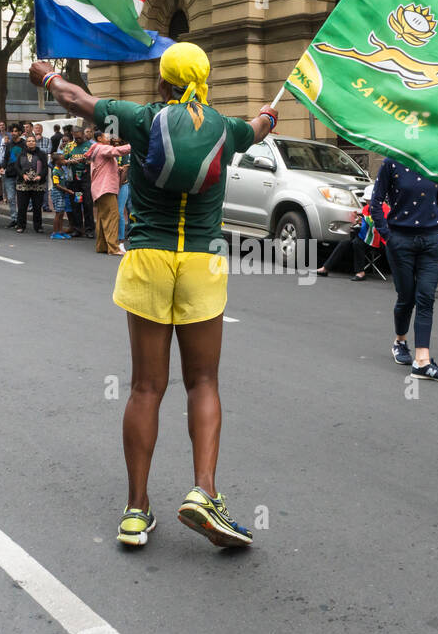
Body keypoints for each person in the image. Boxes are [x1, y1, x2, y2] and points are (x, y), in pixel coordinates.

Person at [30, 42, 277, 549]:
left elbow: (78, 101)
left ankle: (137, 511)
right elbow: (256, 130)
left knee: (146, 388)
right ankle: (204, 492)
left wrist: (47, 77)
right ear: (205, 82)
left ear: (161, 82)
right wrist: (269, 115)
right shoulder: (225, 130)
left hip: (146, 260)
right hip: (201, 265)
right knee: (203, 382)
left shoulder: (140, 119)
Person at [369, 158, 438, 382]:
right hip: (400, 241)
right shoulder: (392, 162)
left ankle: (422, 361)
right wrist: (388, 236)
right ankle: (400, 341)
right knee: (406, 297)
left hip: (431, 242)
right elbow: (375, 202)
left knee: (425, 297)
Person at [317, 187, 388, 280]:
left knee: (357, 242)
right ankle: (326, 268)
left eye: (369, 200)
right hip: (367, 237)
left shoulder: (385, 208)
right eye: (367, 200)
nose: (368, 202)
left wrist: (365, 221)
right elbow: (365, 224)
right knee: (345, 242)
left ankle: (360, 272)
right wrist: (358, 221)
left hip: (380, 240)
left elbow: (382, 226)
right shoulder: (366, 208)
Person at [86, 133, 131, 255]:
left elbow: (104, 167)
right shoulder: (102, 148)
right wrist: (134, 145)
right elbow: (117, 151)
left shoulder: (96, 149)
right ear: (100, 138)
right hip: (106, 188)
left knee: (102, 217)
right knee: (113, 216)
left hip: (100, 189)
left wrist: (118, 169)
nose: (109, 139)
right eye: (106, 137)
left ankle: (102, 246)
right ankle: (113, 248)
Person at [14, 133, 49, 233]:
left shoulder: (41, 154)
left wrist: (40, 176)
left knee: (37, 206)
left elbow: (45, 168)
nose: (31, 143)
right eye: (29, 141)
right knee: (22, 206)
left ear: (36, 142)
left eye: (33, 141)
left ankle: (38, 226)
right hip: (23, 184)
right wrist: (23, 175)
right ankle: (21, 225)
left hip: (38, 185)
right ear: (26, 142)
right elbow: (16, 167)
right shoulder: (21, 153)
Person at [1, 123, 27, 225]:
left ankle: (21, 219)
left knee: (21, 199)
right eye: (12, 131)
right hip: (9, 174)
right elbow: (6, 158)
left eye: (16, 131)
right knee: (11, 198)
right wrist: (2, 167)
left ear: (20, 132)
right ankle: (14, 219)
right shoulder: (8, 144)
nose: (14, 133)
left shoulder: (24, 144)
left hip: (21, 175)